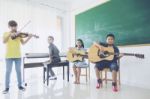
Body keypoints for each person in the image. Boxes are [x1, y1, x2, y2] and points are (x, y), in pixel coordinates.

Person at [2, 20, 33, 94]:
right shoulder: (6, 33)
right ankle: (6, 87)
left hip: (18, 56)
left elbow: (23, 43)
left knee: (18, 71)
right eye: (12, 26)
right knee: (8, 72)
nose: (14, 27)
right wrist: (10, 34)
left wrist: (30, 37)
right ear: (9, 27)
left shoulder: (19, 35)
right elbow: (4, 41)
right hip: (9, 56)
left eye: (15, 26)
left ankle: (20, 86)